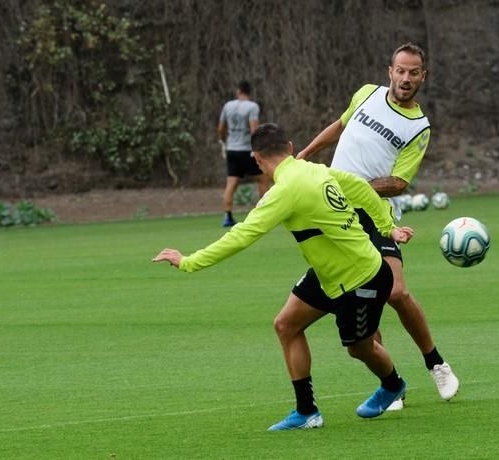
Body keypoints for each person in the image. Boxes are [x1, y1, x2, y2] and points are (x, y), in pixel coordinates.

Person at [154, 123, 414, 431]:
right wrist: (387, 227)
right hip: (330, 273)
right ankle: (307, 412)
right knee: (286, 325)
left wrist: (188, 262)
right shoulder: (316, 170)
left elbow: (241, 235)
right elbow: (361, 187)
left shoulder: (285, 191)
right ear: (290, 147)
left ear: (256, 159)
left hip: (362, 278)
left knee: (359, 348)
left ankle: (392, 384)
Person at [294, 42, 459, 409]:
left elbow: (399, 182)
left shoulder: (420, 127)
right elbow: (339, 126)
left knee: (395, 292)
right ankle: (390, 382)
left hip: (372, 213)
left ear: (423, 77)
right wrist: (305, 155)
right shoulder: (367, 94)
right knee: (361, 292)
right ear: (390, 71)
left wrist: (352, 186)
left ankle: (437, 363)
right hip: (334, 213)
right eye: (400, 70)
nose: (406, 78)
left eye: (413, 72)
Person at [217, 80, 271, 227]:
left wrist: (224, 141)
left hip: (232, 150)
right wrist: (257, 148)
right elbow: (254, 129)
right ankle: (264, 214)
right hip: (247, 150)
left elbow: (221, 128)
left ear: (238, 91)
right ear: (249, 92)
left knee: (231, 183)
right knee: (263, 179)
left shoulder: (228, 106)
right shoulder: (252, 107)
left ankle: (227, 216)